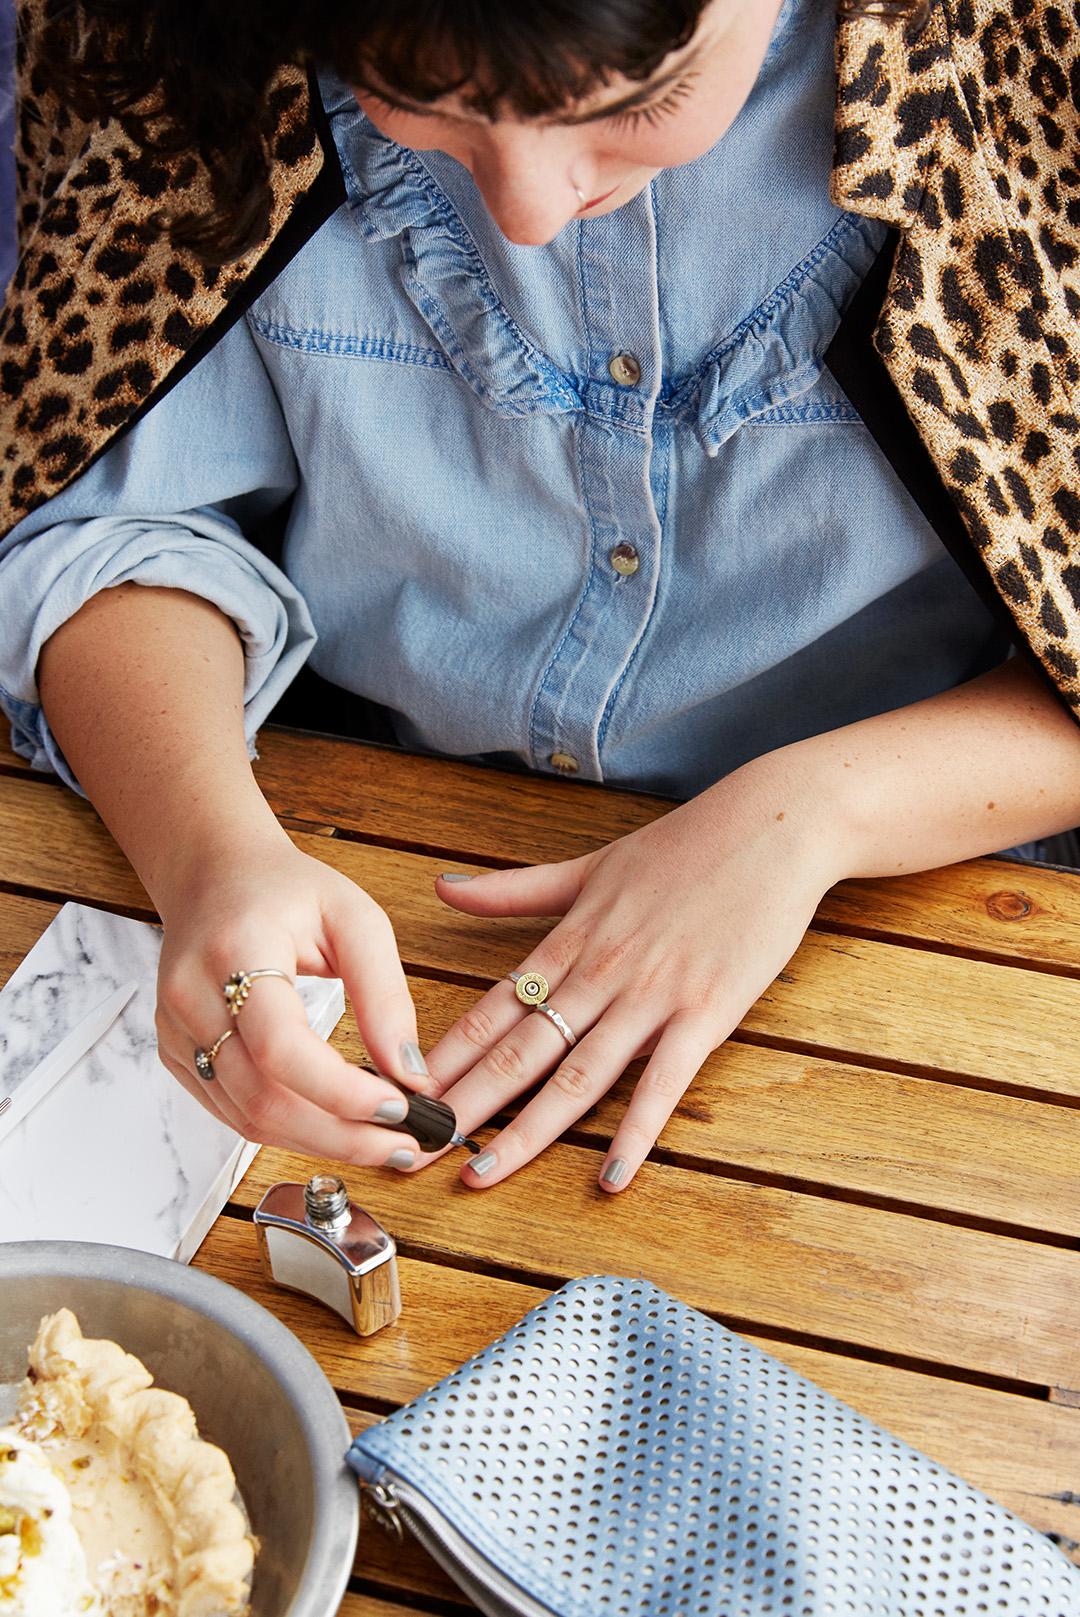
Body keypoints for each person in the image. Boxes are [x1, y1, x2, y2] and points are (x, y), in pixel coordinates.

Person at [2, 0, 1080, 1194]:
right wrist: (207, 851)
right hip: (354, 858)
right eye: (423, 103)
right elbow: (119, 532)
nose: (528, 211)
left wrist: (817, 814)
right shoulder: (171, 40)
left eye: (643, 102)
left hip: (935, 933)